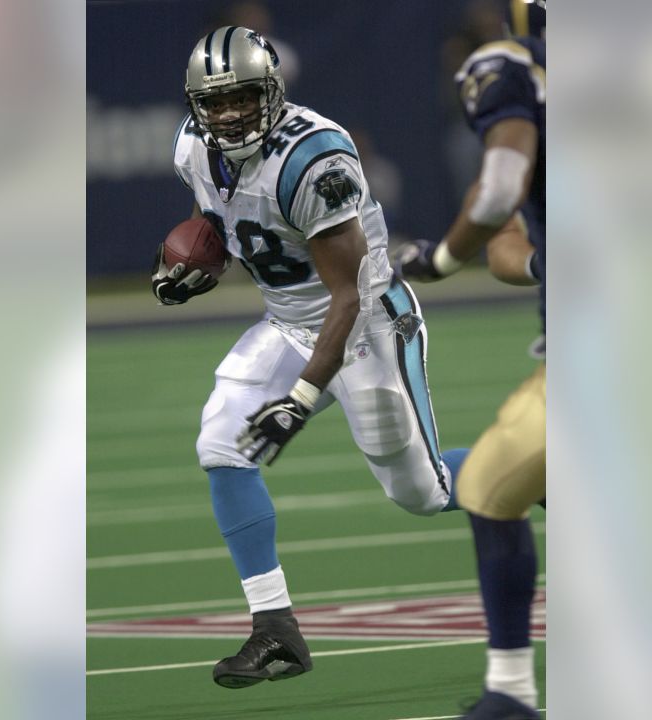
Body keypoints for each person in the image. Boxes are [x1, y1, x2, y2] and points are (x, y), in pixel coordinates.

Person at [152, 25, 460, 690]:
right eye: (217, 101)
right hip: (290, 321)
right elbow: (236, 230)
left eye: (245, 98)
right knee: (223, 441)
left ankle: (540, 464)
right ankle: (274, 628)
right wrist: (194, 266)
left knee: (422, 492)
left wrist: (298, 401)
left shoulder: (313, 160)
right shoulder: (192, 149)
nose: (230, 114)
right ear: (196, 105)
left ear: (275, 92)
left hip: (368, 323)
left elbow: (346, 295)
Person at [398, 1, 546, 717]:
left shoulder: (514, 69)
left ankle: (513, 692)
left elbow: (495, 193)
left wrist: (438, 257)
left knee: (486, 484)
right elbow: (512, 245)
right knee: (493, 478)